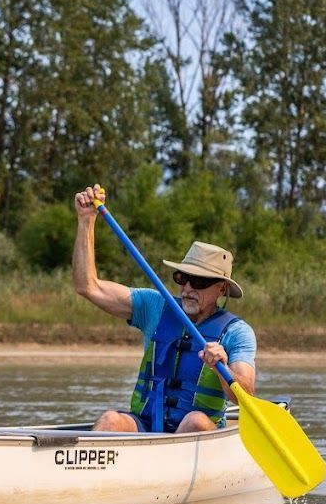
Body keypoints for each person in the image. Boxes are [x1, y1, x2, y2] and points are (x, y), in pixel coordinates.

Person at [71, 184, 257, 434]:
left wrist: (221, 366)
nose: (188, 288)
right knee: (110, 420)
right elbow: (88, 286)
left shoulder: (237, 333)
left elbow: (245, 397)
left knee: (195, 421)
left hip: (196, 430)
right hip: (146, 425)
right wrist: (86, 221)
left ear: (222, 289)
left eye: (200, 282)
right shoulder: (156, 306)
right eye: (183, 278)